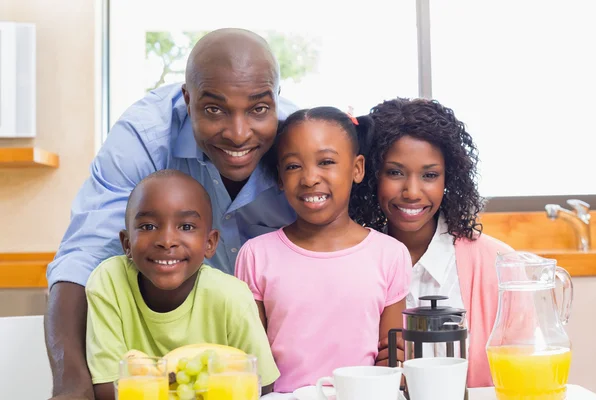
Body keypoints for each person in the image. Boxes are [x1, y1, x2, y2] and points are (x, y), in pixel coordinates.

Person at [45, 28, 297, 399]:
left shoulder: (300, 143)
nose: (239, 133)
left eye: (259, 108)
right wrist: (70, 385)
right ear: (187, 98)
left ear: (276, 98)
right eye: (214, 109)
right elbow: (84, 256)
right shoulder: (142, 137)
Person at [235, 107, 412, 393]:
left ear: (357, 169)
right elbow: (250, 363)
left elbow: (391, 360)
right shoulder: (256, 256)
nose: (309, 178)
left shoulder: (390, 255)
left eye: (326, 162)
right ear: (279, 177)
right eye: (293, 166)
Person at [351, 98, 513, 387]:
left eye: (429, 175)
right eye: (395, 172)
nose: (412, 192)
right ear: (371, 175)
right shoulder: (351, 261)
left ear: (448, 178)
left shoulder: (500, 266)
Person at [85, 170, 279, 399]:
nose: (167, 242)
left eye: (186, 227)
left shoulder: (232, 296)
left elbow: (261, 386)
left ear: (210, 243)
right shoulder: (108, 282)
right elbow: (107, 387)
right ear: (127, 243)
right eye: (148, 226)